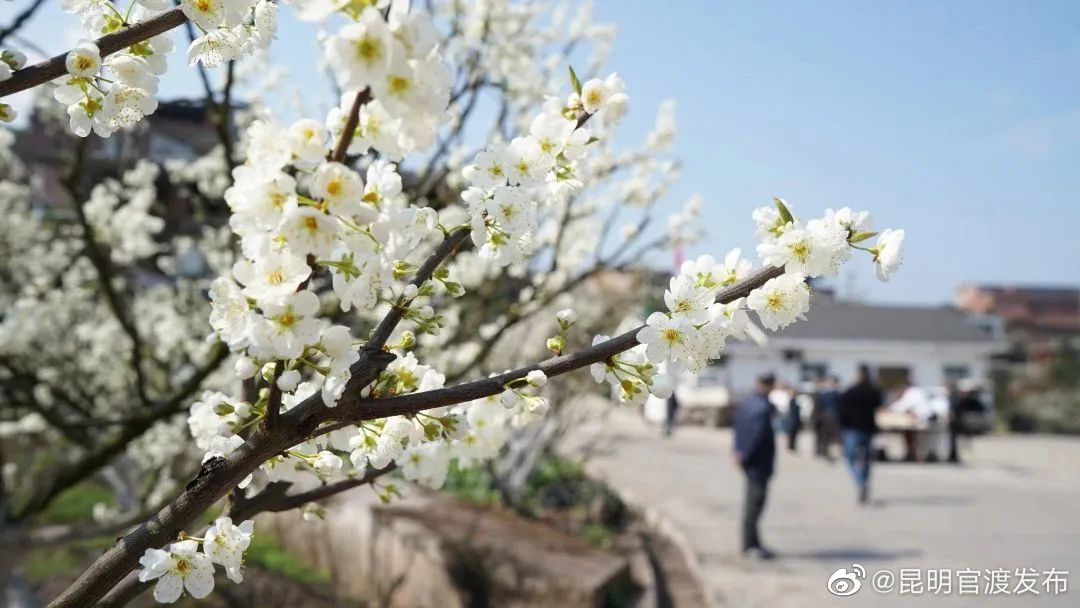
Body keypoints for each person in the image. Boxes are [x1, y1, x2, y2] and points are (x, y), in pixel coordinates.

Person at [733, 373, 778, 559]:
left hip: (749, 460)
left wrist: (738, 452)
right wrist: (746, 454)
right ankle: (750, 545)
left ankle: (754, 543)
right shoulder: (762, 407)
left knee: (752, 503)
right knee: (755, 504)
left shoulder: (747, 402)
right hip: (758, 462)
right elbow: (757, 435)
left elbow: (738, 429)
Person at [839, 365, 883, 504]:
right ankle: (864, 482)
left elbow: (842, 411)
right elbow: (879, 405)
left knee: (850, 457)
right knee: (866, 459)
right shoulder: (874, 391)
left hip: (853, 429)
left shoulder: (850, 391)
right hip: (868, 429)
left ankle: (861, 483)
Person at [814, 376, 841, 461]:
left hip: (835, 416)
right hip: (825, 417)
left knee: (836, 436)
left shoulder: (838, 394)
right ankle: (824, 451)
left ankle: (836, 453)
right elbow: (819, 407)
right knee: (824, 435)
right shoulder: (823, 394)